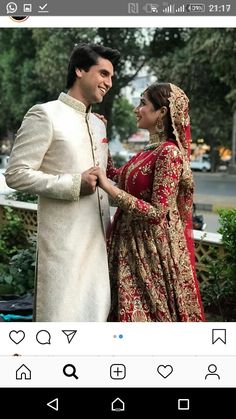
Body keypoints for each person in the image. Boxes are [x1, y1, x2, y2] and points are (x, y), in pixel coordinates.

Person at [5, 43, 120, 322]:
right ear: (80, 70)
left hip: (98, 243)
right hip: (63, 248)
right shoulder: (45, 114)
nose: (109, 83)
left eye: (112, 77)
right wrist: (73, 184)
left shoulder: (98, 124)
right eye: (103, 73)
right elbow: (16, 173)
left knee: (96, 322)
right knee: (60, 323)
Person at [91, 82, 205, 322]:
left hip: (151, 253)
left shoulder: (169, 153)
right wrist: (101, 134)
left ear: (162, 112)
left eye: (143, 103)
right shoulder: (148, 151)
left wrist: (108, 187)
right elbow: (113, 175)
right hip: (127, 246)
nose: (136, 109)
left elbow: (157, 212)